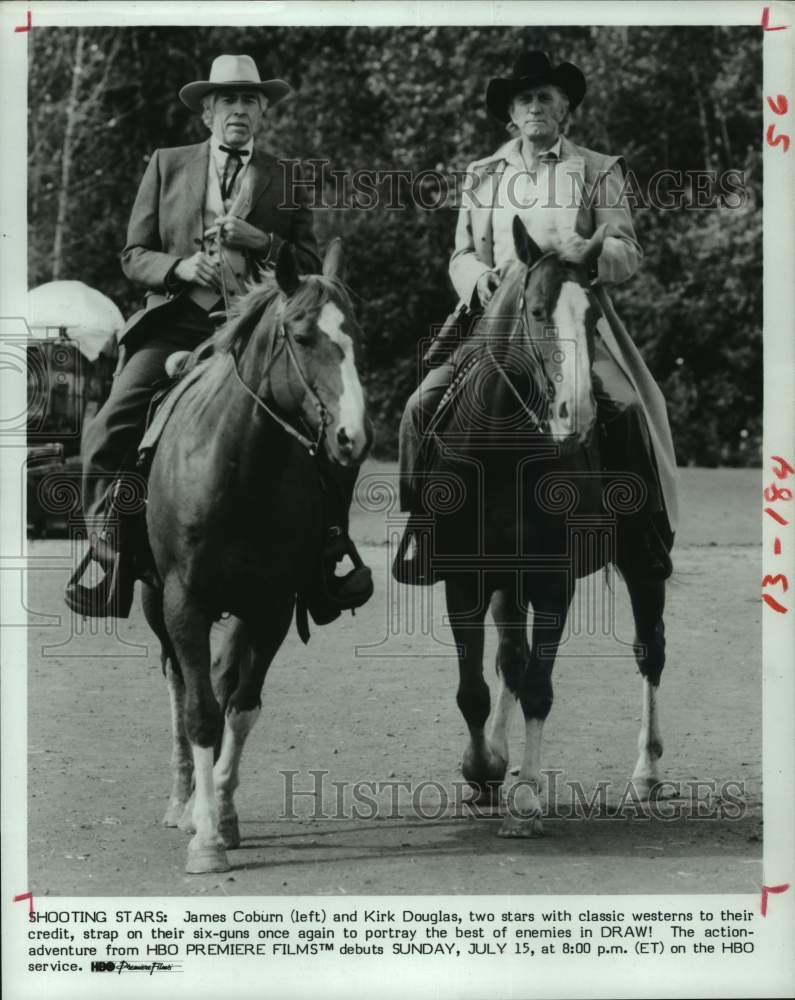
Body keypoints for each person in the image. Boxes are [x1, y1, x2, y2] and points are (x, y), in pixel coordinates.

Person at [65, 54, 371, 618]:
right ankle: (109, 553)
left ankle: (330, 550)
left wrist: (262, 241)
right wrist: (179, 270)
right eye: (227, 100)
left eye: (249, 100)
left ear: (262, 112)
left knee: (334, 420)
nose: (239, 110)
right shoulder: (166, 164)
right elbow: (133, 255)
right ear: (208, 112)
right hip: (175, 325)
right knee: (109, 427)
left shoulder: (285, 176)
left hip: (259, 333)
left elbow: (309, 264)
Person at [397, 51, 678, 581]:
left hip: (572, 323)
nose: (534, 108)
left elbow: (627, 249)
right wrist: (478, 279)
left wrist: (591, 251)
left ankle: (641, 535)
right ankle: (425, 528)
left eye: (545, 97)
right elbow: (461, 254)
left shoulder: (598, 170)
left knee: (631, 409)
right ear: (510, 114)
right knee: (419, 406)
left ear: (565, 108)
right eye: (524, 99)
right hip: (495, 328)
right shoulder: (482, 175)